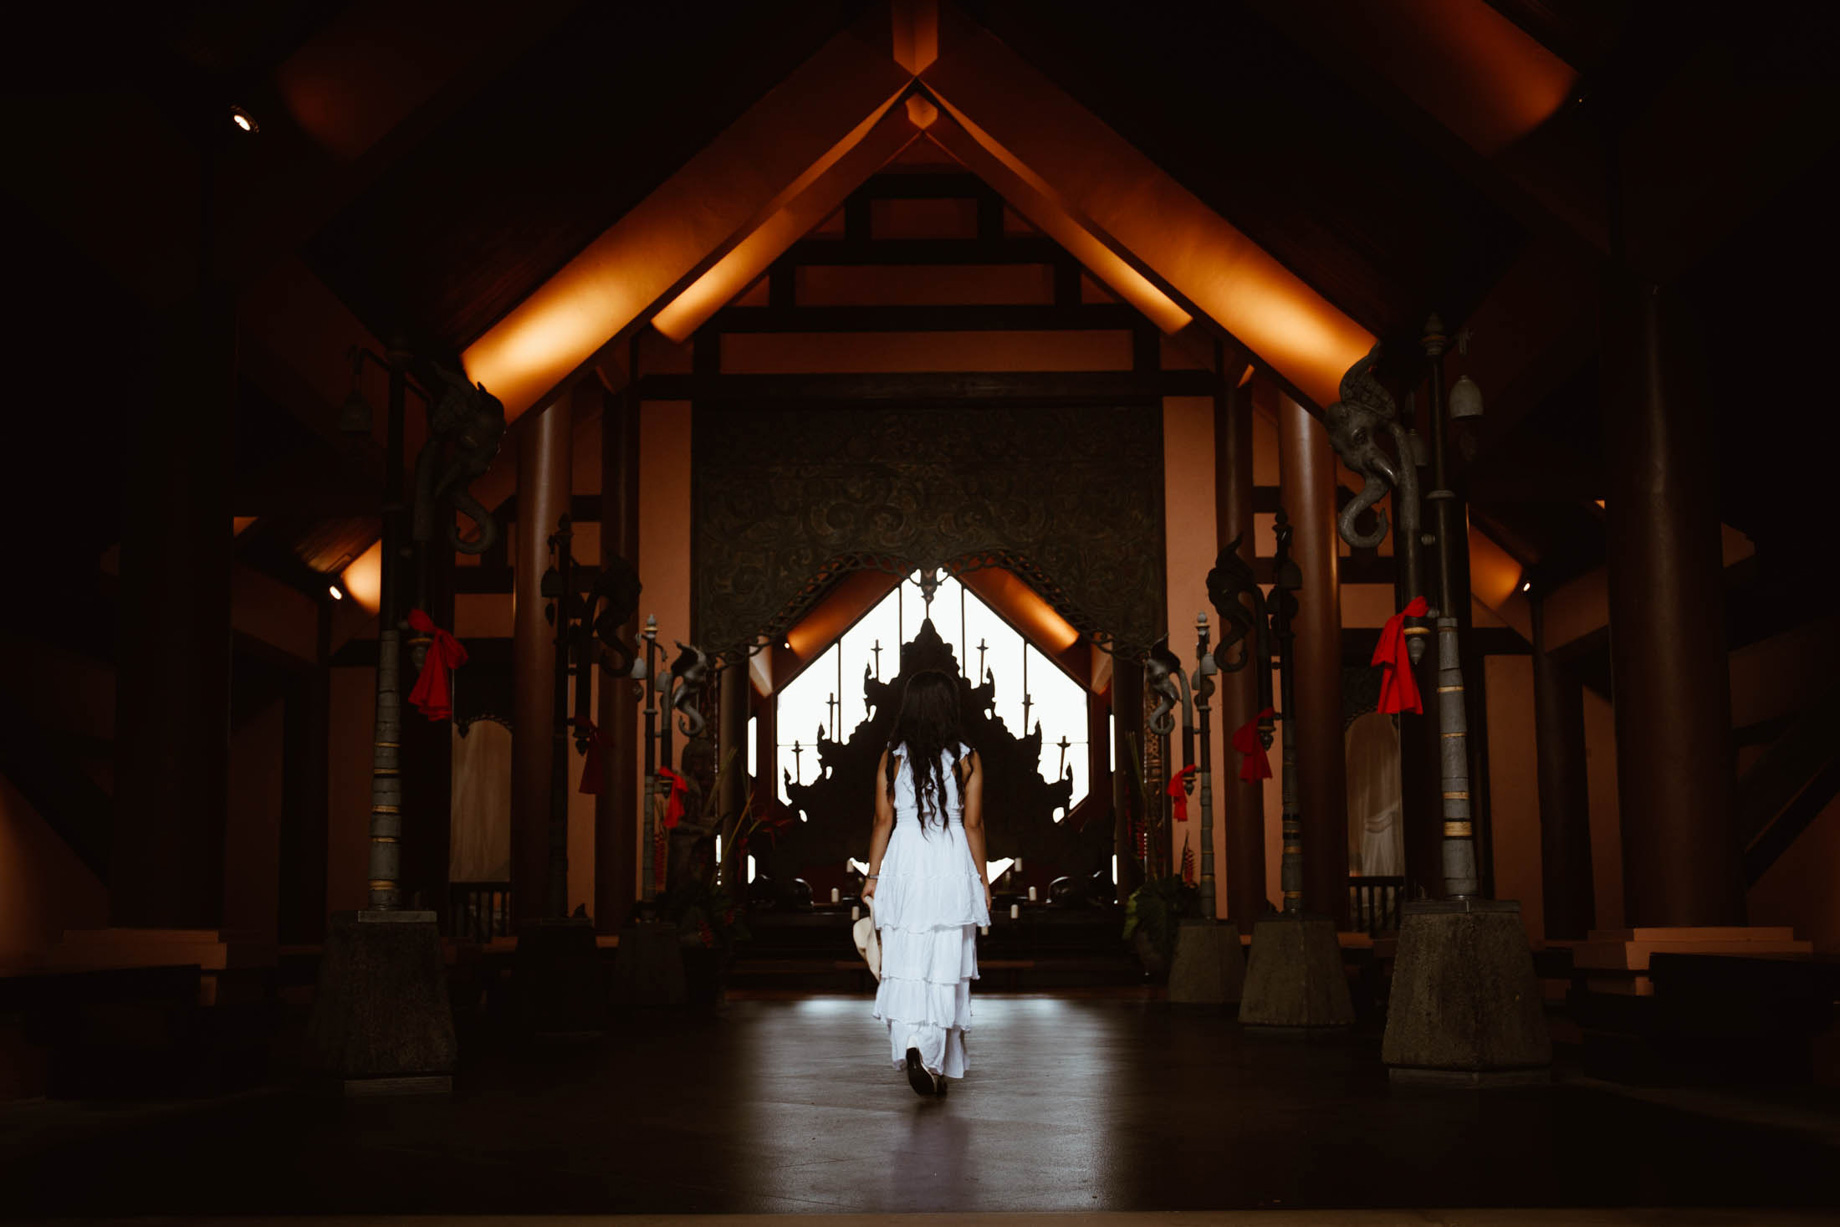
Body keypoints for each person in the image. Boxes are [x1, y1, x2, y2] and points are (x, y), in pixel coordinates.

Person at [862, 669, 991, 1097]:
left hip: (904, 859)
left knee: (905, 960)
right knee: (944, 964)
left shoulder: (891, 757)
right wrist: (982, 881)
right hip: (950, 858)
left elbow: (883, 821)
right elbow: (972, 825)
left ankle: (914, 1046)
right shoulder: (968, 758)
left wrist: (872, 876)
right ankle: (930, 1057)